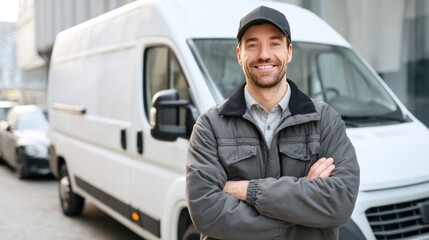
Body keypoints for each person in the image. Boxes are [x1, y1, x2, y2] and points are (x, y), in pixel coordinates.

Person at [186, 5, 360, 240]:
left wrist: (247, 190)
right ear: (239, 54)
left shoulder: (325, 121)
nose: (264, 54)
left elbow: (339, 203)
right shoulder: (210, 126)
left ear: (289, 51)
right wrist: (301, 205)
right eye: (253, 44)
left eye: (275, 43)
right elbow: (206, 212)